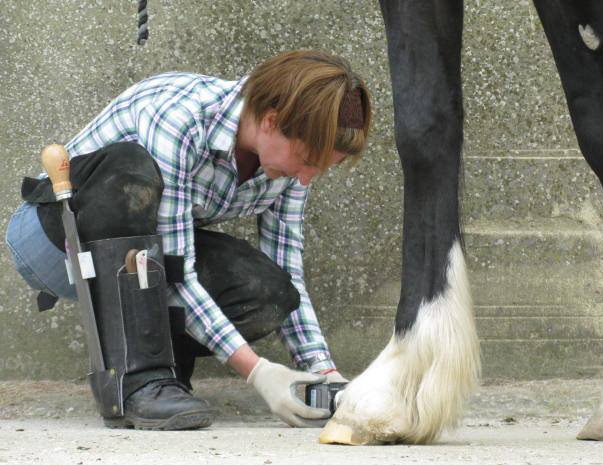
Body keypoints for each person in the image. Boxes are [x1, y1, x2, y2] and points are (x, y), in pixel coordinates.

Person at [5, 50, 372, 430]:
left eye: (321, 168)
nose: (307, 178)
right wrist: (258, 371)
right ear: (271, 120)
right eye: (308, 160)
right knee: (131, 169)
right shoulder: (180, 118)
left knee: (270, 290)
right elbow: (176, 275)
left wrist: (327, 375)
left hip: (146, 256)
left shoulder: (289, 167)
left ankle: (164, 376)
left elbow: (285, 270)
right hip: (53, 242)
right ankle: (138, 383)